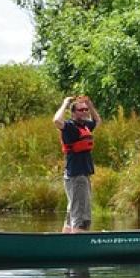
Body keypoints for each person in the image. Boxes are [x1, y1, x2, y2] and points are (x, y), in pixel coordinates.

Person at [53, 95, 101, 233]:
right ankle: (78, 245)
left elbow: (97, 121)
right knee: (81, 215)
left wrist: (90, 105)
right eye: (81, 110)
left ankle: (65, 242)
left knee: (72, 212)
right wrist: (65, 104)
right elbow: (56, 120)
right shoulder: (70, 126)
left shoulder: (84, 126)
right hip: (76, 175)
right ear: (73, 113)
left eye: (85, 109)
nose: (85, 112)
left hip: (81, 174)